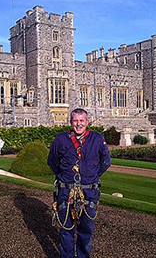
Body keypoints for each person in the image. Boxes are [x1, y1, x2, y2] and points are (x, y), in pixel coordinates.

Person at [47, 108, 111, 258]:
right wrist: (65, 177)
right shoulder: (61, 139)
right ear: (71, 122)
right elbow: (52, 162)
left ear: (87, 122)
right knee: (66, 231)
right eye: (75, 121)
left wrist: (91, 176)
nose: (79, 124)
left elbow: (105, 162)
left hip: (89, 192)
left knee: (86, 232)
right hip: (65, 191)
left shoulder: (97, 138)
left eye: (82, 121)